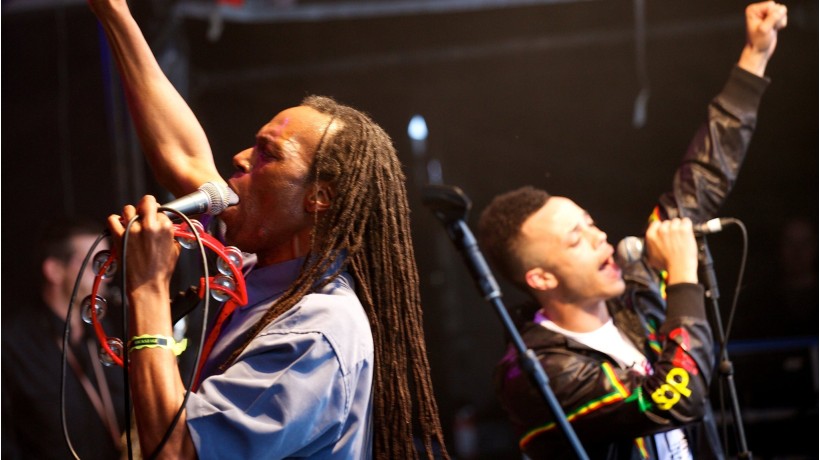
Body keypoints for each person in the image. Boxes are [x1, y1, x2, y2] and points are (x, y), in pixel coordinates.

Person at [87, 0, 448, 459]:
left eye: (267, 155)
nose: (239, 158)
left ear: (318, 197)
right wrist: (115, 14)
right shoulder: (265, 271)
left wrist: (147, 290)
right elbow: (184, 156)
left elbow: (177, 451)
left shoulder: (317, 329)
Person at [475, 2, 788, 458]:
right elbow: (675, 399)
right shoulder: (538, 371)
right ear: (541, 277)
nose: (599, 236)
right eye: (576, 239)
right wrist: (683, 280)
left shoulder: (634, 301)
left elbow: (700, 180)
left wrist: (755, 56)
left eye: (590, 223)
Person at [1, 216, 126, 460]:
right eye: (95, 264)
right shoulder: (11, 345)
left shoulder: (107, 333)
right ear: (54, 270)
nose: (106, 275)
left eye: (106, 264)